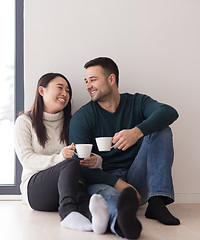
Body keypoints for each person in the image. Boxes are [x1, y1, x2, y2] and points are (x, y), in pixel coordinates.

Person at [69, 57, 180, 239]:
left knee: (162, 130)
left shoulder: (137, 102)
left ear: (111, 79)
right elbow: (78, 165)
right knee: (109, 198)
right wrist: (119, 183)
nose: (88, 86)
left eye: (93, 79)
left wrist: (137, 132)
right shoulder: (83, 117)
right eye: (86, 81)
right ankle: (121, 222)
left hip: (138, 179)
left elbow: (169, 112)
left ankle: (157, 201)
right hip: (104, 180)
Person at [14, 72, 132, 234]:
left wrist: (95, 160)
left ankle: (101, 222)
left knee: (84, 193)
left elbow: (87, 155)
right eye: (60, 88)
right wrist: (60, 158)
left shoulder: (72, 122)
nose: (65, 94)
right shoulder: (25, 122)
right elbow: (27, 159)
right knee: (69, 164)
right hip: (36, 190)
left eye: (68, 91)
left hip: (68, 188)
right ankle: (68, 213)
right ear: (42, 91)